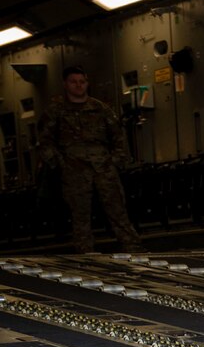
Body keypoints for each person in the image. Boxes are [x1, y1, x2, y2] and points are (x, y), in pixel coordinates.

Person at [41, 66, 141, 253]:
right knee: (80, 214)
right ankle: (84, 251)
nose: (78, 86)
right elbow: (45, 142)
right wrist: (60, 165)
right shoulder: (56, 112)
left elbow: (118, 137)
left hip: (103, 167)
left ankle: (132, 246)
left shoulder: (100, 109)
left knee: (117, 209)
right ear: (65, 84)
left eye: (82, 82)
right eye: (74, 82)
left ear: (87, 84)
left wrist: (116, 161)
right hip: (74, 169)